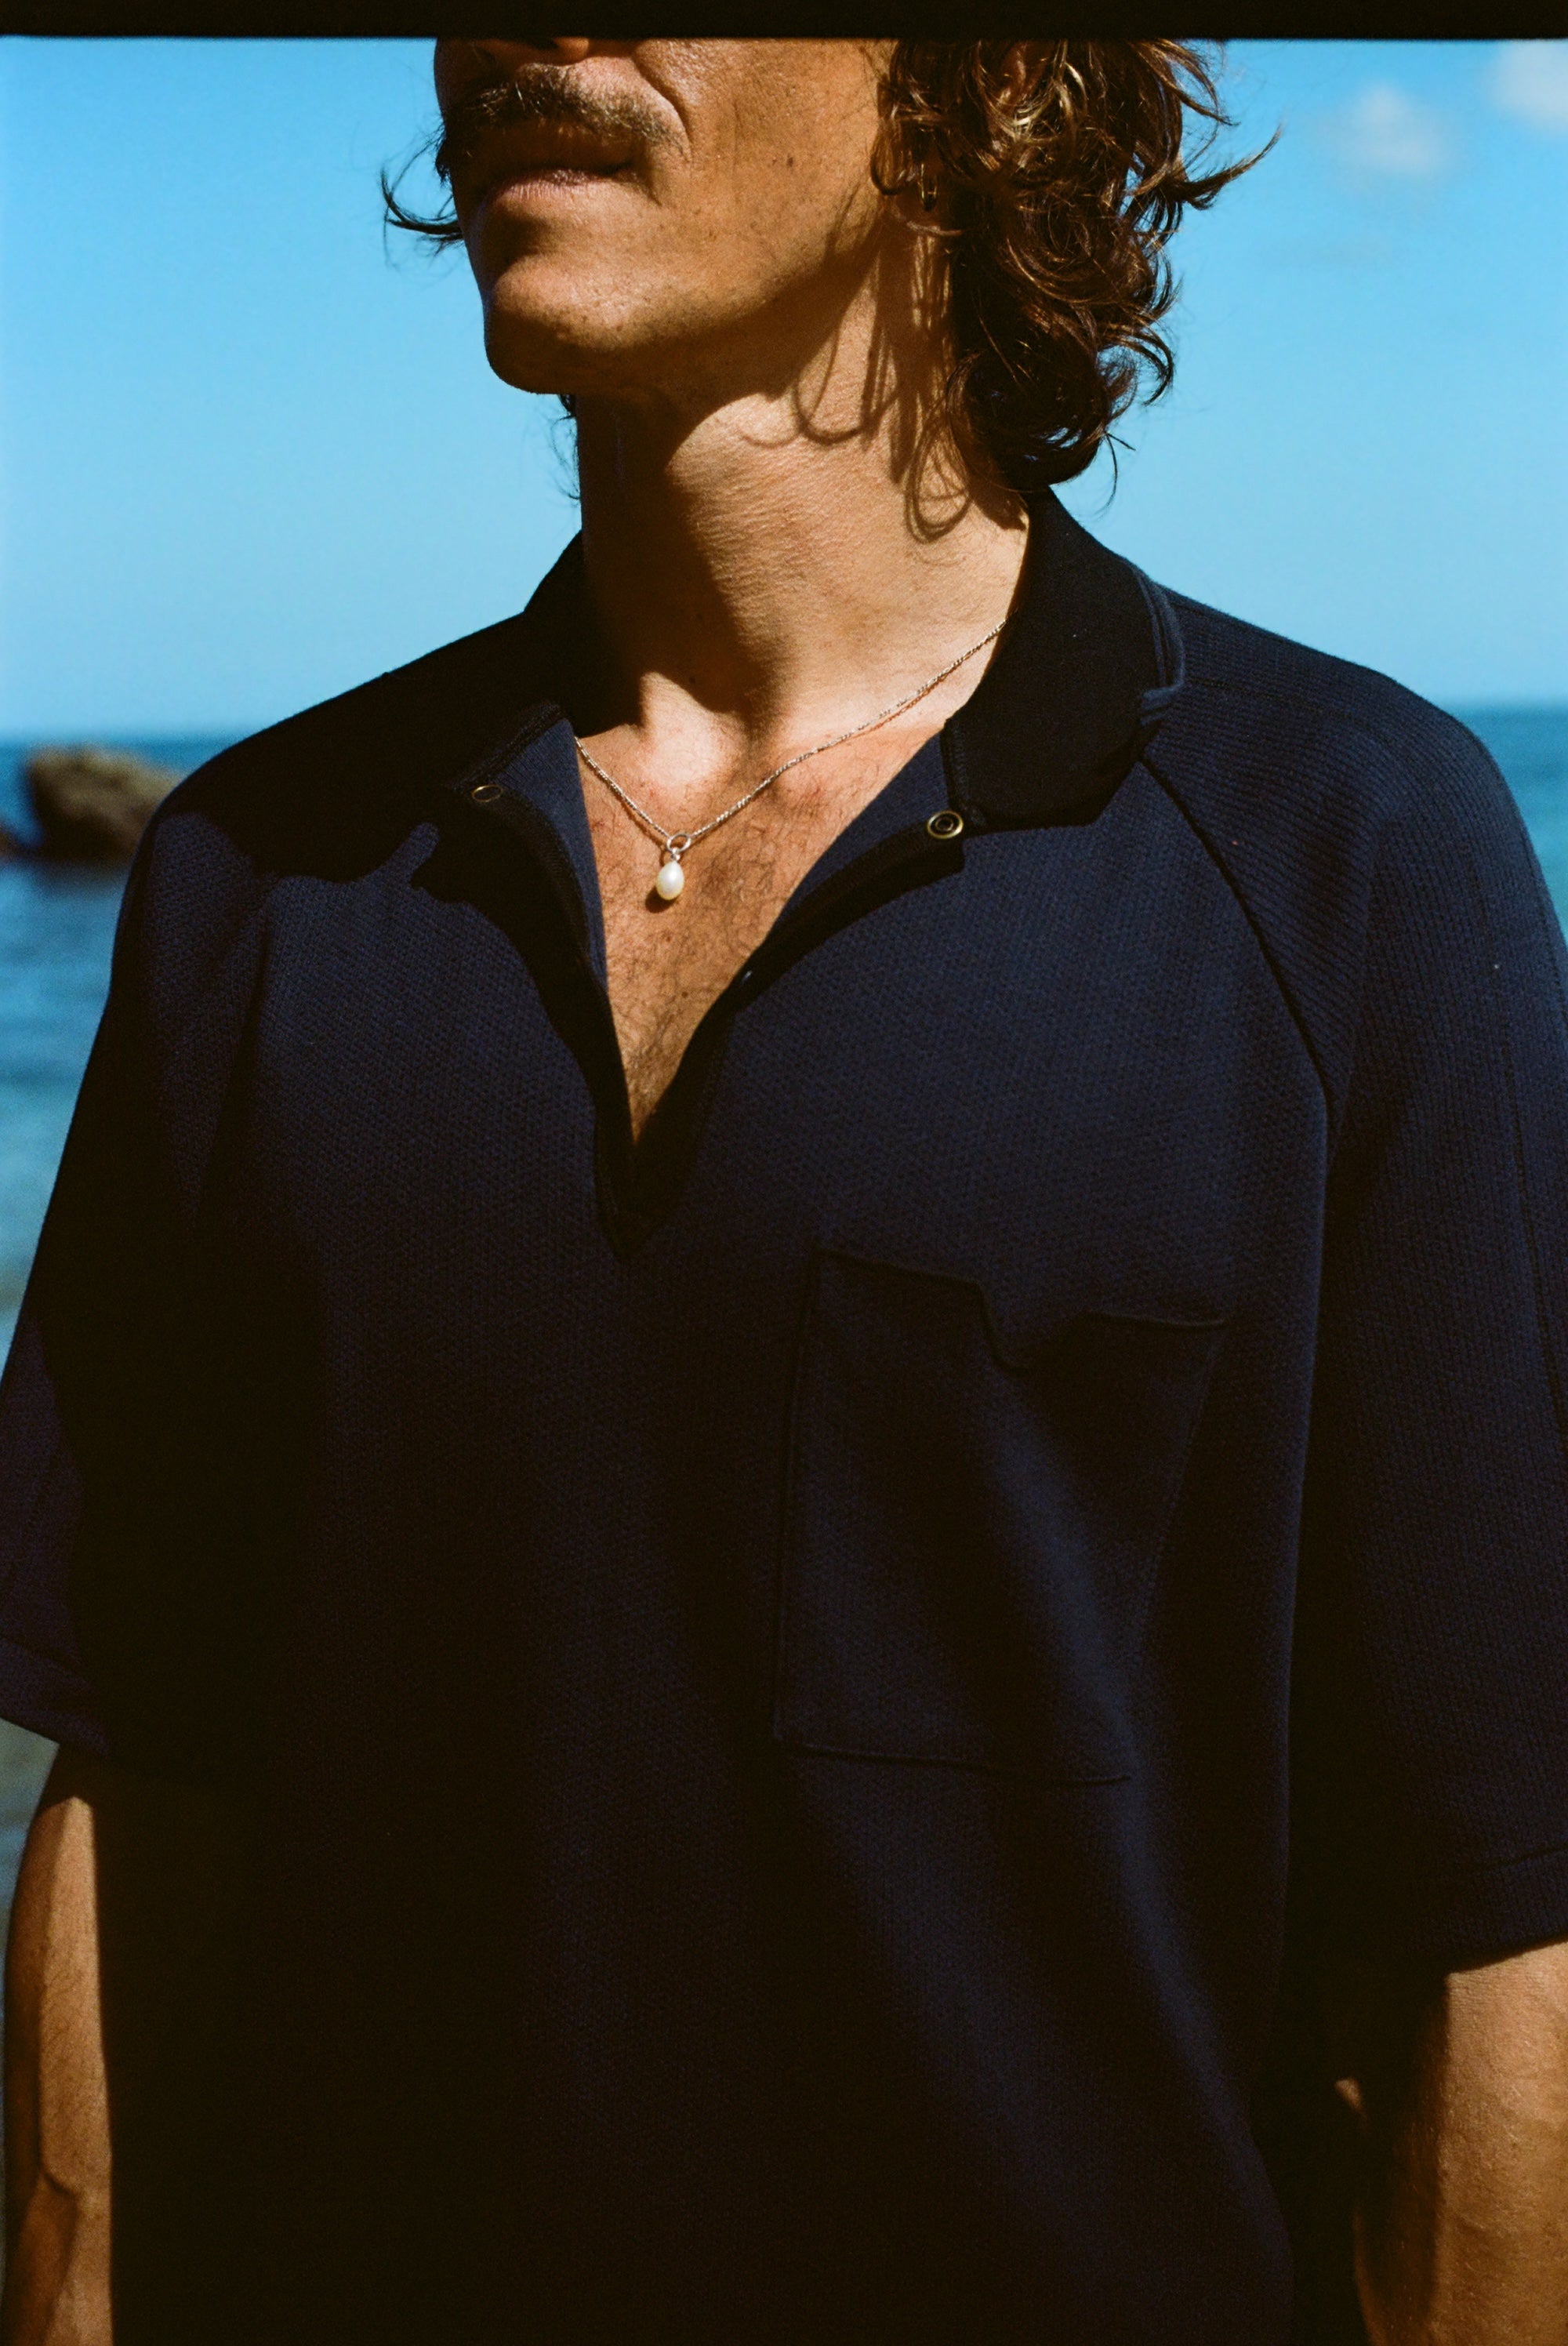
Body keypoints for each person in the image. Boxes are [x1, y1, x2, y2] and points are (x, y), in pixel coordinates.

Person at [2, 34, 1567, 2346]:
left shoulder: (1354, 869)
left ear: (984, 85)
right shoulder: (261, 881)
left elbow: (1476, 1945)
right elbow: (138, 1811)